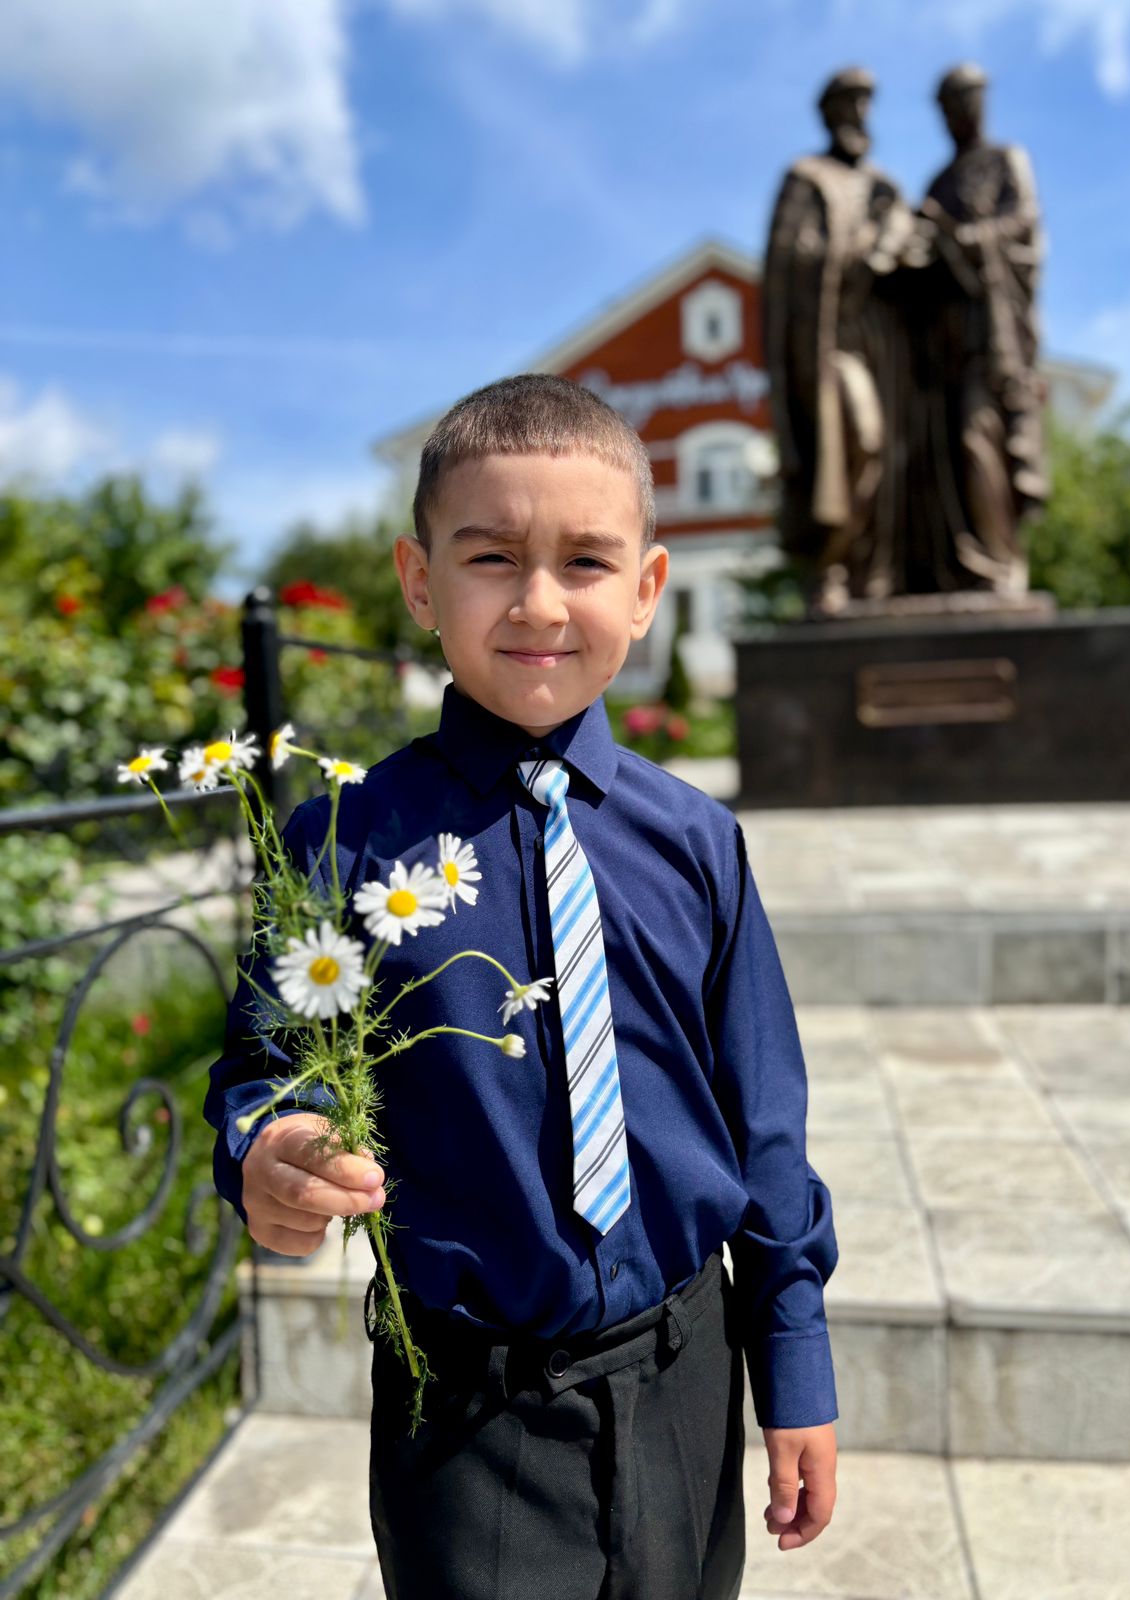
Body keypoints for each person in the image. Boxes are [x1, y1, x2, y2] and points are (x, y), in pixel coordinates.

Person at [204, 372, 839, 1599]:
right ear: (420, 579)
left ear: (647, 588)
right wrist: (269, 1148)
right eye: (491, 556)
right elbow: (268, 1066)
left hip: (686, 1373)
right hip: (467, 1416)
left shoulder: (697, 843)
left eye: (587, 562)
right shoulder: (342, 844)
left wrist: (794, 1357)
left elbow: (764, 1121)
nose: (539, 602)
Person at [762, 66, 915, 610]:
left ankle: (869, 570)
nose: (859, 115)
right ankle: (832, 564)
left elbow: (911, 239)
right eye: (849, 104)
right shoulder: (807, 179)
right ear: (829, 114)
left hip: (880, 344)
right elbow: (789, 265)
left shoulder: (883, 187)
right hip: (826, 346)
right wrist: (859, 249)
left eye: (865, 104)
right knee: (856, 443)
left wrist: (889, 243)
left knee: (886, 454)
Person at [903, 61, 1047, 594]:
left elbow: (1022, 222)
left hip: (993, 330)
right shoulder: (938, 183)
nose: (961, 113)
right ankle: (962, 563)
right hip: (948, 338)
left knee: (979, 439)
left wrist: (967, 237)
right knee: (946, 451)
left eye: (969, 100)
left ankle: (1000, 563)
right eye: (950, 105)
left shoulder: (1006, 160)